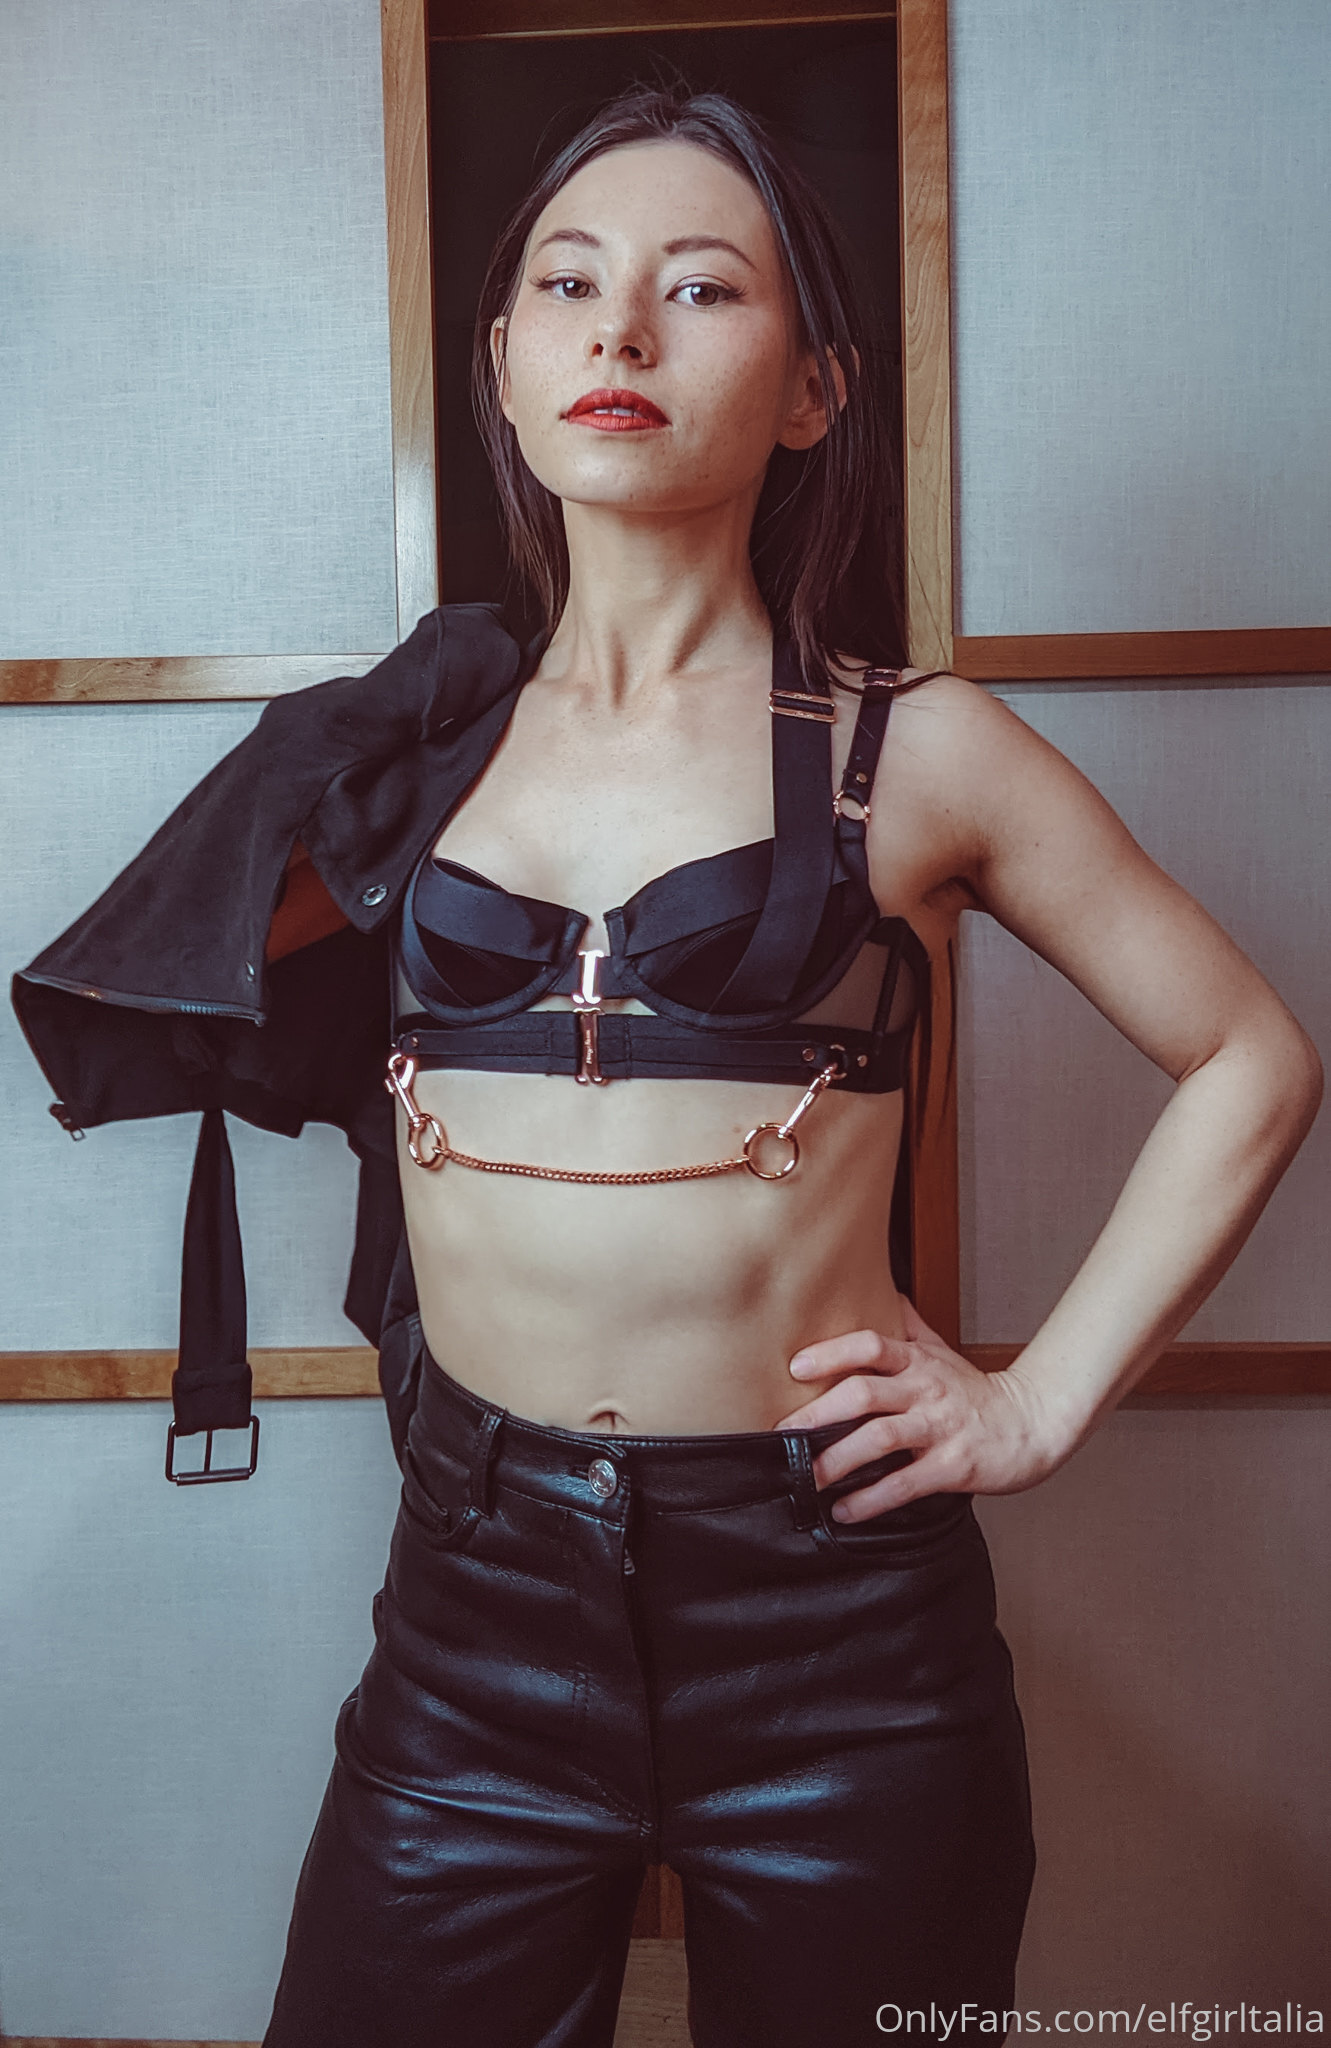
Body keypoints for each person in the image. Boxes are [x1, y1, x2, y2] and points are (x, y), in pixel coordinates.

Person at [12, 86, 1321, 2048]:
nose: (620, 328)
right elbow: (187, 977)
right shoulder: (415, 754)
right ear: (505, 365)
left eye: (701, 288)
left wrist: (1036, 1401)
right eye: (568, 285)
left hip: (835, 1629)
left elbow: (1247, 1051)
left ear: (813, 388)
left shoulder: (914, 750)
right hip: (475, 1608)